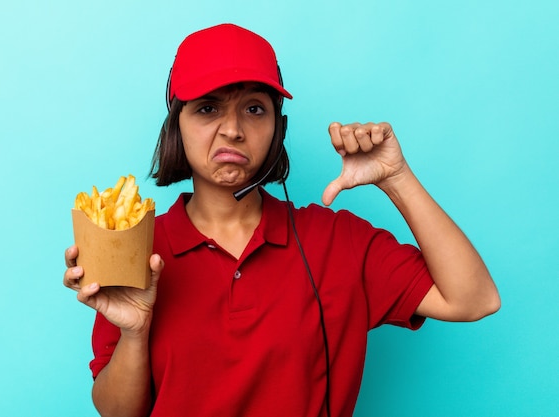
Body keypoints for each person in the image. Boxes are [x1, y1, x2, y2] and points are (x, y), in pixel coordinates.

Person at [63, 23, 500, 417]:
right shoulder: (136, 245)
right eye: (208, 108)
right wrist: (135, 334)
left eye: (254, 109)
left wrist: (397, 178)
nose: (232, 129)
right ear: (176, 126)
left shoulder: (339, 240)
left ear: (279, 128)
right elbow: (117, 413)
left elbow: (474, 300)